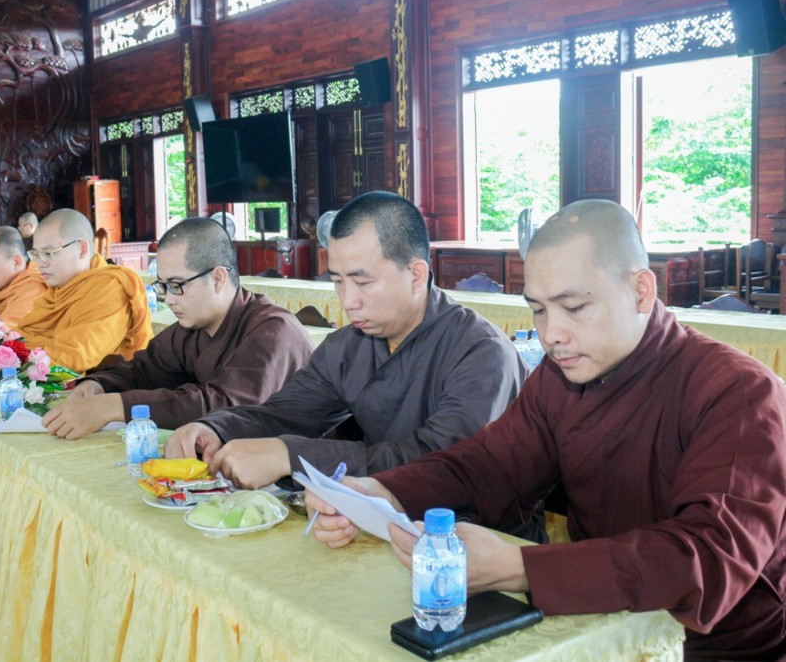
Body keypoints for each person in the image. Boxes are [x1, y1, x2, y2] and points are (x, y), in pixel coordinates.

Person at [307, 199, 786, 660]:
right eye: (538, 310)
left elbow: (708, 557)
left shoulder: (737, 392)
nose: (551, 334)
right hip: (601, 625)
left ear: (642, 290)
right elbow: (490, 462)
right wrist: (382, 492)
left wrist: (519, 569)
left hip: (720, 648)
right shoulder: (561, 377)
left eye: (573, 307)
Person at [166, 191, 528, 502]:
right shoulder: (348, 346)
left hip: (474, 537)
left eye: (363, 282)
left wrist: (291, 455)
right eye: (338, 282)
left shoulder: (481, 353)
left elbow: (440, 464)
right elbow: (284, 413)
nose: (348, 302)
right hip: (373, 516)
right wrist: (215, 429)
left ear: (416, 275)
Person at [42, 217, 314, 439]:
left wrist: (116, 406)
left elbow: (224, 405)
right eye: (163, 286)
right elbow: (144, 369)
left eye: (176, 285)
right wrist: (99, 385)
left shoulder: (273, 331)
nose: (169, 299)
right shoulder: (192, 328)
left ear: (218, 278)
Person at [14, 208, 153, 373]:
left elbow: (75, 356)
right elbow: (23, 337)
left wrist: (16, 360)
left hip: (101, 385)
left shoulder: (110, 287)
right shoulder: (59, 289)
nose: (40, 263)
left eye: (49, 253)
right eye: (36, 254)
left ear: (82, 249)